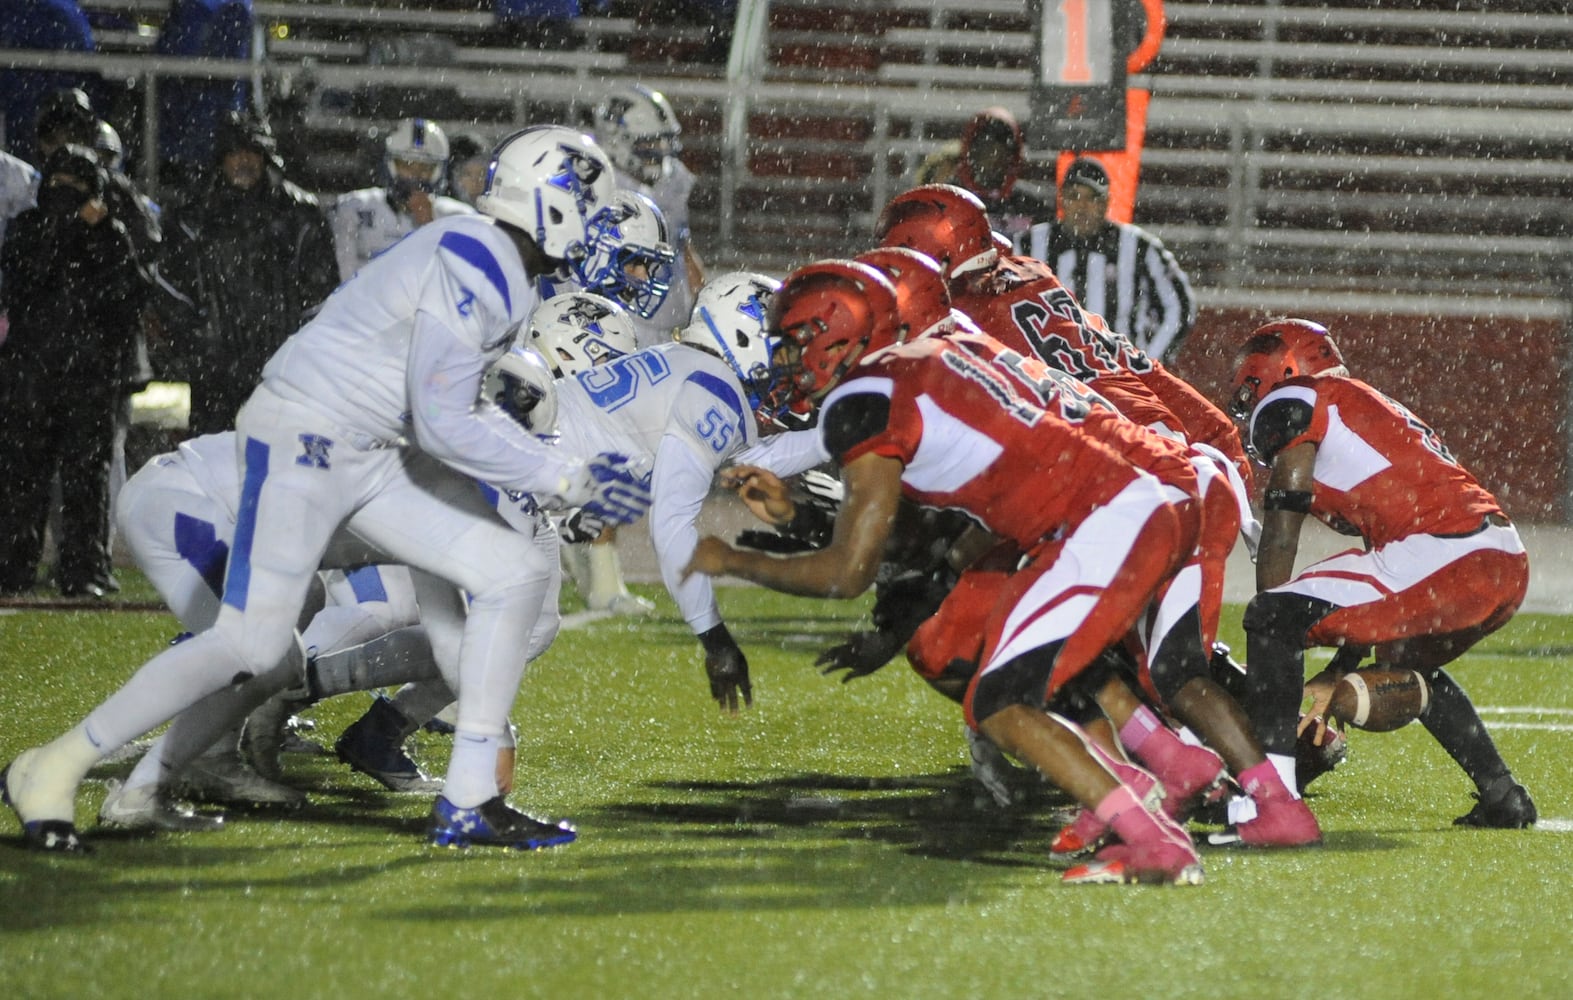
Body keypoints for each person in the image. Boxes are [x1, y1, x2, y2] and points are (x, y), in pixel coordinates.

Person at [0, 124, 653, 853]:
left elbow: (436, 423)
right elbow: (444, 422)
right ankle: (53, 765)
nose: (595, 228)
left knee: (515, 568)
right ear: (552, 204)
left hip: (372, 446)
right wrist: (564, 475)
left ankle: (469, 800)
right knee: (251, 643)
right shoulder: (479, 255)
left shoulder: (496, 260)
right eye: (590, 207)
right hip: (310, 433)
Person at [686, 260, 1208, 886]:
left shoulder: (866, 397)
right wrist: (797, 511)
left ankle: (1156, 841)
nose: (790, 359)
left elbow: (850, 572)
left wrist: (733, 560)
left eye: (798, 341)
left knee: (999, 701)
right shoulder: (934, 357)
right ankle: (1127, 798)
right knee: (994, 667)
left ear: (841, 333)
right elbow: (917, 530)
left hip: (1101, 519)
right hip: (1108, 508)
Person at [1229, 318, 1536, 828]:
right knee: (1406, 663)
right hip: (1497, 556)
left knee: (1272, 613)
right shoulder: (1364, 407)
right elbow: (1380, 584)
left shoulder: (1301, 397)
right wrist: (1335, 670)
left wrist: (1276, 623)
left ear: (1280, 366)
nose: (1245, 395)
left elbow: (1284, 525)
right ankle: (1503, 794)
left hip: (1446, 551)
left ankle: (1273, 801)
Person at [0, 143, 151, 598]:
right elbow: (19, 286)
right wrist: (60, 229)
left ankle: (83, 569)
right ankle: (13, 567)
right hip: (32, 376)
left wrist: (100, 234)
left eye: (76, 185)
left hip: (88, 379)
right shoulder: (28, 229)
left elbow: (129, 296)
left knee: (87, 481)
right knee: (22, 480)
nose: (66, 193)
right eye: (59, 183)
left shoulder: (111, 235)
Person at [159, 110, 339, 436]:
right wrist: (198, 356)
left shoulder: (302, 215)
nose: (244, 161)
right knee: (217, 469)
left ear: (266, 156)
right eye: (234, 151)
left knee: (283, 470)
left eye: (252, 151)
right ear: (220, 158)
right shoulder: (192, 218)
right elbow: (172, 297)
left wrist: (301, 357)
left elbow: (322, 299)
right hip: (215, 378)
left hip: (284, 374)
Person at [1024, 157, 1196, 365]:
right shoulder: (1028, 244)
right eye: (1074, 196)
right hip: (1050, 374)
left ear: (1106, 201)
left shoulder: (1140, 247)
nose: (1082, 206)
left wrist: (1149, 364)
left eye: (1092, 198)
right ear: (1061, 199)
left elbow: (1179, 307)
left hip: (1118, 376)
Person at [591, 83, 705, 347]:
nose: (660, 150)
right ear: (616, 140)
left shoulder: (671, 180)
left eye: (664, 140)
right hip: (622, 325)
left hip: (671, 321)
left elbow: (683, 246)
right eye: (651, 142)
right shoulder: (600, 189)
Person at [326, 117, 473, 281]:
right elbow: (342, 281)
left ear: (438, 171)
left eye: (425, 168)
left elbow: (462, 284)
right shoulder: (354, 208)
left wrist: (431, 227)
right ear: (391, 165)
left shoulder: (459, 218)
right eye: (407, 165)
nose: (415, 176)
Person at [953, 106, 1052, 251]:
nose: (992, 159)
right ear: (971, 152)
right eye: (985, 149)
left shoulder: (1032, 204)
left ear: (1011, 157)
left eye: (1000, 152)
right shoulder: (951, 197)